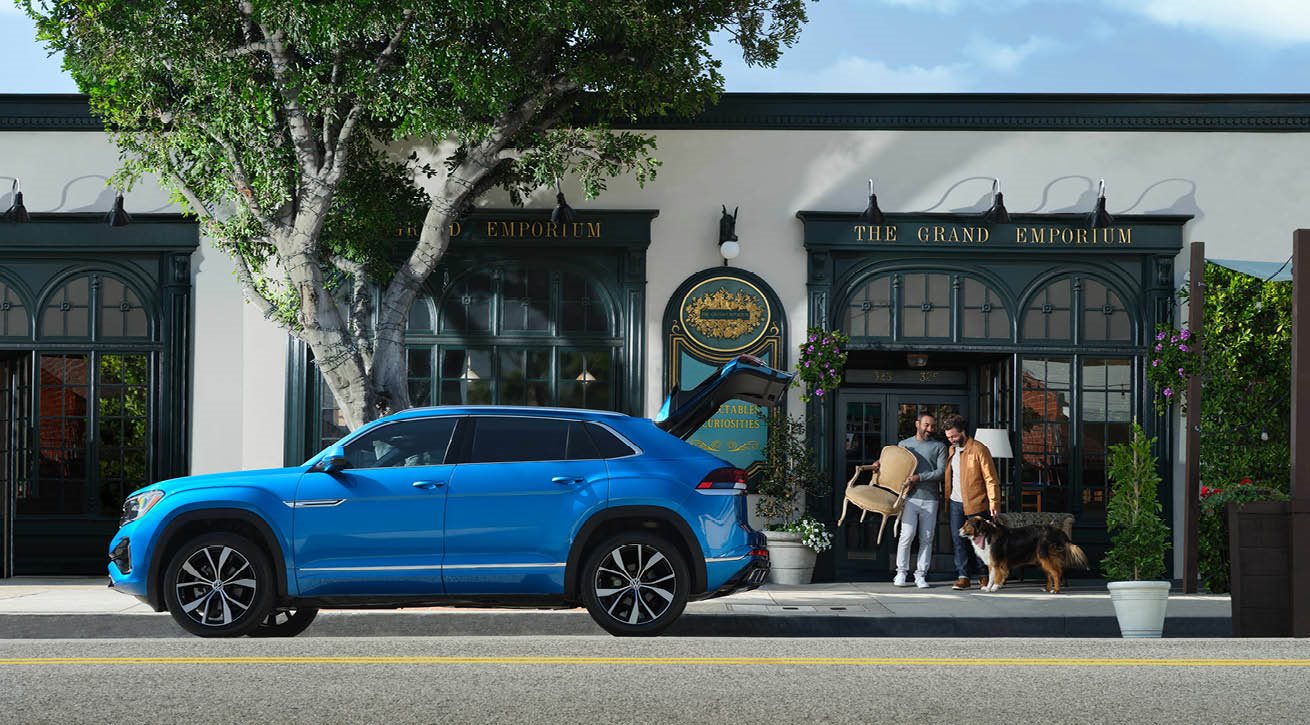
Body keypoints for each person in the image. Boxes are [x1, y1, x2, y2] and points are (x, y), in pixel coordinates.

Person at [941, 414, 1001, 591]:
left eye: (953, 436)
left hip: (976, 503)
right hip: (955, 502)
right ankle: (963, 576)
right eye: (948, 437)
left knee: (980, 541)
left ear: (963, 432)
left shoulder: (979, 449)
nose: (951, 440)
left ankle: (983, 575)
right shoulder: (952, 450)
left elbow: (991, 478)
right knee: (957, 539)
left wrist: (994, 502)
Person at [891, 412, 946, 589]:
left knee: (927, 538)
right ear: (917, 424)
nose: (930, 429)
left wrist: (919, 477)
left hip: (930, 499)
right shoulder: (904, 445)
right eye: (926, 425)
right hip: (909, 498)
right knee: (906, 535)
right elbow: (894, 464)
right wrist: (879, 464)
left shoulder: (939, 447)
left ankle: (921, 575)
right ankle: (901, 573)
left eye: (932, 426)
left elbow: (941, 472)